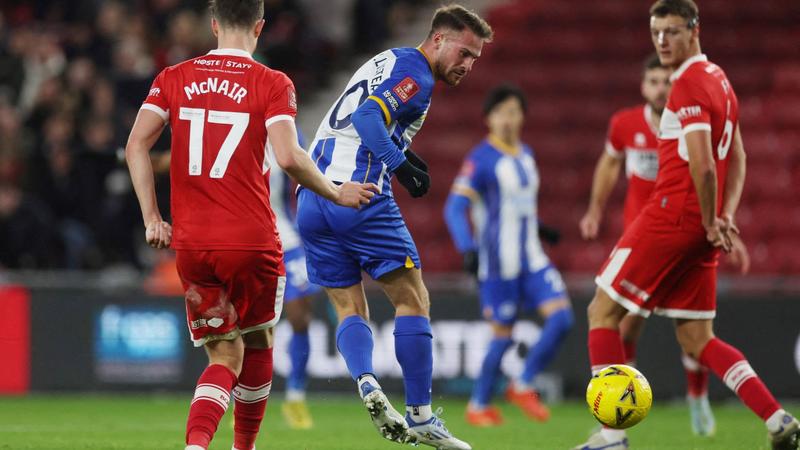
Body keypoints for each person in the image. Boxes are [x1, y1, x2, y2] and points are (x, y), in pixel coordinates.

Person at [124, 1, 376, 449]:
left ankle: (196, 445)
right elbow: (287, 155)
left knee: (223, 353)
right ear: (260, 27)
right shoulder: (272, 82)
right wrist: (336, 192)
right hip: (250, 239)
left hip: (193, 243)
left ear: (214, 23)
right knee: (257, 340)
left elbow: (136, 146)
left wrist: (152, 218)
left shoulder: (173, 78)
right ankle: (244, 447)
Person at [574, 1, 800, 449]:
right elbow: (737, 156)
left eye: (672, 31)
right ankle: (776, 419)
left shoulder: (688, 85)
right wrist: (723, 216)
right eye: (656, 32)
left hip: (671, 214)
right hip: (698, 226)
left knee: (601, 311)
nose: (661, 41)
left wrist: (714, 214)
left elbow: (704, 166)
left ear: (695, 30)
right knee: (698, 337)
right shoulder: (720, 80)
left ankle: (612, 436)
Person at [296, 4, 492, 449]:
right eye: (464, 53)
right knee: (413, 297)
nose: (467, 65)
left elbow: (363, 117)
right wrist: (400, 166)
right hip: (359, 195)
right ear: (438, 39)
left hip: (313, 197)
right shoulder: (418, 75)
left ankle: (366, 383)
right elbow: (367, 118)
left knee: (349, 308)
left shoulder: (389, 59)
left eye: (475, 59)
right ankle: (420, 416)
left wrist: (406, 155)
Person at [578, 53, 751, 436]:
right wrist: (594, 210)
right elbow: (608, 165)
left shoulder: (690, 124)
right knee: (630, 328)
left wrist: (722, 222)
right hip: (645, 235)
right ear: (644, 86)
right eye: (653, 81)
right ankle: (621, 413)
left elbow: (716, 169)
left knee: (691, 335)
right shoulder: (625, 124)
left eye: (665, 81)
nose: (660, 88)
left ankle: (695, 397)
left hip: (682, 229)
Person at [443, 84, 573, 427]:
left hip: (532, 258)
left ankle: (523, 383)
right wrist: (467, 248)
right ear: (488, 119)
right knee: (502, 337)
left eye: (514, 112)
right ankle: (478, 405)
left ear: (522, 118)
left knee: (562, 318)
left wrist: (540, 227)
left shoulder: (526, 155)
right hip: (498, 265)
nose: (507, 119)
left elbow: (519, 206)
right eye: (500, 112)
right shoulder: (481, 159)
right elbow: (455, 208)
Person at [267, 130, 323, 430]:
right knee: (249, 323)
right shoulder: (232, 121)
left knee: (301, 318)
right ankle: (243, 398)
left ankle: (295, 397)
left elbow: (308, 170)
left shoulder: (285, 130)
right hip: (249, 240)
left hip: (286, 238)